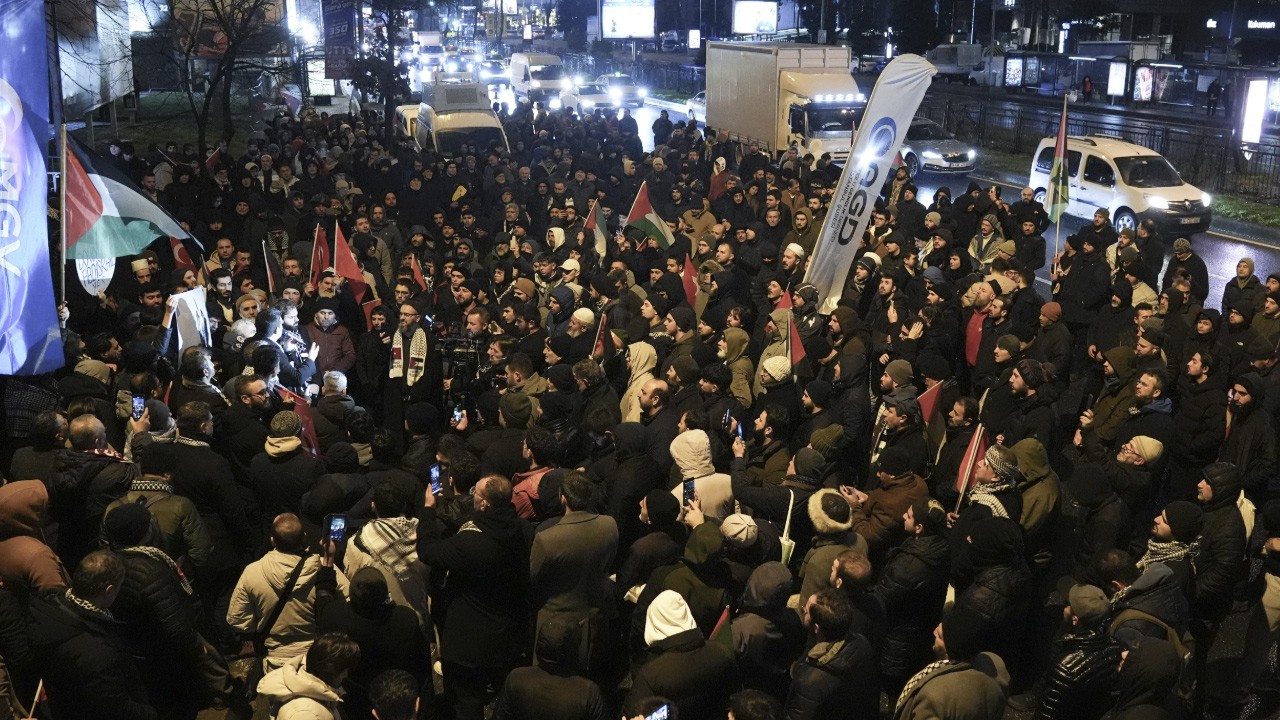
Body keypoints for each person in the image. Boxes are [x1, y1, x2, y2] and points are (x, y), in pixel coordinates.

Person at [27, 550, 158, 720]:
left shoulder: (49, 606)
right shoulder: (96, 652)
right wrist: (150, 714)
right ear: (109, 590)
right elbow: (116, 708)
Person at [256, 631, 361, 720]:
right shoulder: (305, 713)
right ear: (331, 670)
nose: (346, 675)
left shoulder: (315, 698)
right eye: (345, 670)